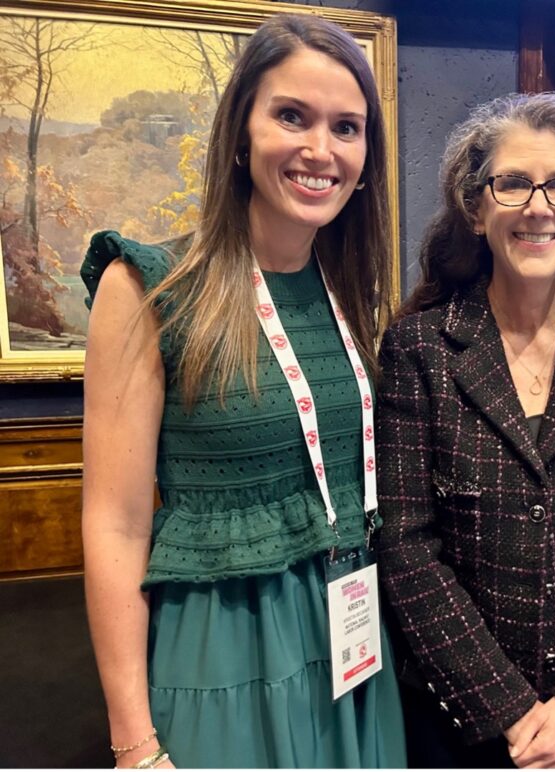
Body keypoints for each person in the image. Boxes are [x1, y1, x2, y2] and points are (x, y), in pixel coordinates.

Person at [79, 13, 405, 768]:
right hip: (224, 646)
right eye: (292, 116)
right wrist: (133, 743)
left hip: (352, 637)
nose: (321, 149)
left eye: (347, 127)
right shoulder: (148, 286)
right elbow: (115, 525)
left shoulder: (353, 291)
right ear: (239, 132)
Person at [375, 92, 555, 769]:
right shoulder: (420, 349)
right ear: (477, 209)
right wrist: (506, 709)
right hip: (458, 722)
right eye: (513, 183)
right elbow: (407, 547)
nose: (540, 207)